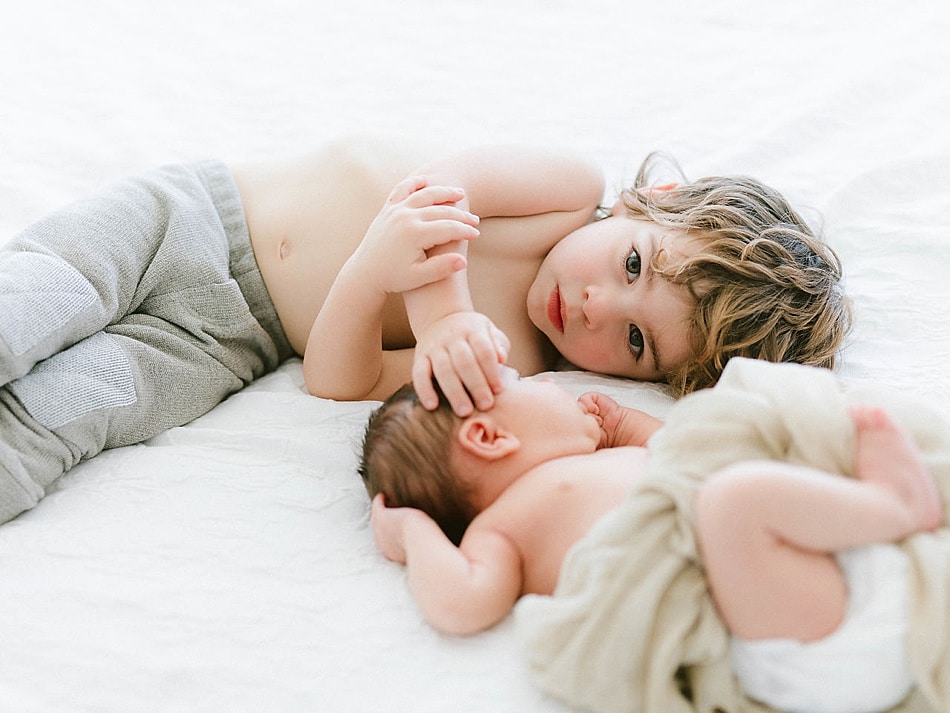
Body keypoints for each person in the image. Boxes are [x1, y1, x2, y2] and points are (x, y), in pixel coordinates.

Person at [0, 134, 849, 524]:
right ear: (648, 205)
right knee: (34, 301)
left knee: (70, 415)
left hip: (229, 337)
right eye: (631, 267)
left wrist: (374, 274)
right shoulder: (563, 188)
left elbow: (338, 378)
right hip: (190, 219)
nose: (596, 306)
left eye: (634, 341)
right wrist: (442, 312)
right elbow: (437, 184)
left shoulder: (513, 367)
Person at [362, 368, 941, 713]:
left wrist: (626, 427)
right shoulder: (500, 533)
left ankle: (889, 512)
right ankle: (894, 505)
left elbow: (684, 453)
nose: (551, 386)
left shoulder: (608, 464)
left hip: (829, 582)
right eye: (523, 382)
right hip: (796, 646)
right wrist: (414, 533)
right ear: (489, 435)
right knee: (731, 501)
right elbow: (463, 604)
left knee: (752, 450)